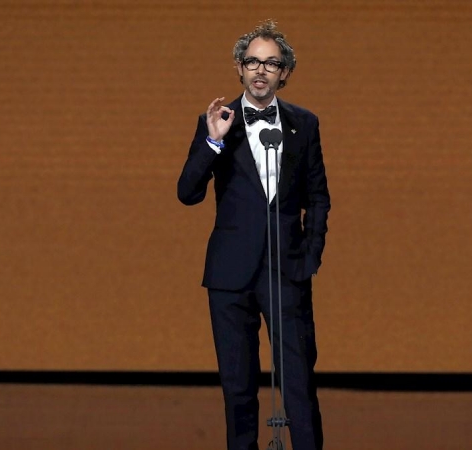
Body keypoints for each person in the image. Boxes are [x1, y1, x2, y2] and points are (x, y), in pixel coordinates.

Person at [177, 20, 330, 450]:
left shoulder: (305, 124)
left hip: (286, 272)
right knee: (238, 389)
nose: (260, 70)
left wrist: (308, 256)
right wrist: (213, 142)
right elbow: (186, 193)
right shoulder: (217, 122)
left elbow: (318, 197)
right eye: (252, 62)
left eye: (271, 63)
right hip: (230, 276)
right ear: (239, 69)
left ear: (285, 72)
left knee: (298, 385)